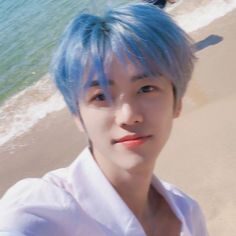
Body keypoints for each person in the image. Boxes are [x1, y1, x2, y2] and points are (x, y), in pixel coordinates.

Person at [0, 3, 208, 236]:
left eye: (146, 88)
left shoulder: (188, 213)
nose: (128, 116)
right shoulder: (40, 211)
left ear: (177, 102)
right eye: (100, 96)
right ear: (77, 116)